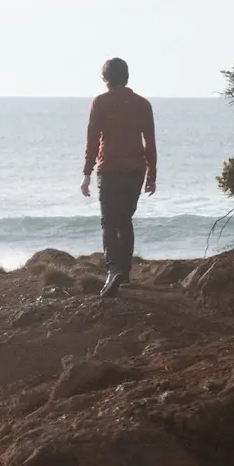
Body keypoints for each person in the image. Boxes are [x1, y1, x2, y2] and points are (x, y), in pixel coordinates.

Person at [80, 57, 157, 298]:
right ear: (127, 76)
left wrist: (86, 173)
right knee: (125, 220)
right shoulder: (143, 104)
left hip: (110, 168)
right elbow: (150, 143)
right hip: (135, 169)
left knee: (109, 222)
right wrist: (152, 174)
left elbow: (92, 139)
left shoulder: (100, 103)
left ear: (105, 79)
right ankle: (124, 272)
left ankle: (114, 270)